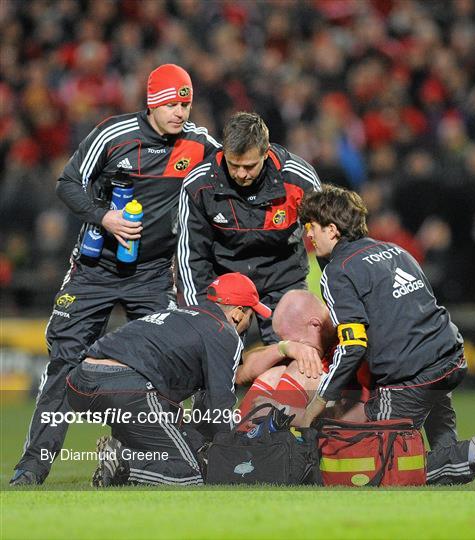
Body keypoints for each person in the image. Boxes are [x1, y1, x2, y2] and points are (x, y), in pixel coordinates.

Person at [11, 64, 221, 486]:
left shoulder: (200, 144)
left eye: (186, 102)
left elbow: (236, 167)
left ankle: (142, 460)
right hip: (95, 270)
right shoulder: (113, 134)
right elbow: (67, 182)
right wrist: (103, 216)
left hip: (153, 274)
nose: (181, 111)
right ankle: (32, 469)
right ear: (152, 101)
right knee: (65, 362)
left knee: (165, 366)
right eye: (172, 103)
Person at [297, 184, 475, 485]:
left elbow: (354, 344)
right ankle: (455, 460)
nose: (309, 235)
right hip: (448, 356)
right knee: (437, 420)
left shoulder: (338, 271)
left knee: (382, 464)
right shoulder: (395, 250)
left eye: (312, 227)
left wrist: (319, 401)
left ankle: (473, 453)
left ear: (332, 230)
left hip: (411, 374)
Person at [65, 272, 270, 487]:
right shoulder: (224, 332)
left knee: (171, 430)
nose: (249, 324)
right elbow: (220, 408)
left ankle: (126, 449)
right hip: (125, 387)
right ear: (238, 314)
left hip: (79, 382)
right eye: (251, 316)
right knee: (190, 473)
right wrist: (238, 454)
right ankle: (124, 461)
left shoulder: (179, 314)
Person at [176, 111, 321, 345]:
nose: (241, 174)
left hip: (283, 279)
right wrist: (202, 316)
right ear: (223, 152)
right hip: (226, 283)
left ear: (266, 153)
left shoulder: (298, 180)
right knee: (215, 358)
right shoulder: (199, 185)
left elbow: (327, 237)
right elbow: (191, 256)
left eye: (249, 166)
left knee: (297, 358)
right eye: (234, 165)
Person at [236, 289, 369, 426]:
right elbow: (241, 373)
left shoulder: (355, 339)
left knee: (300, 370)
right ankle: (235, 441)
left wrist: (283, 412)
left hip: (355, 432)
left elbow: (362, 415)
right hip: (319, 410)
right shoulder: (316, 337)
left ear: (315, 325)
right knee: (273, 374)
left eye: (299, 343)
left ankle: (262, 441)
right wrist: (284, 348)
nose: (300, 350)